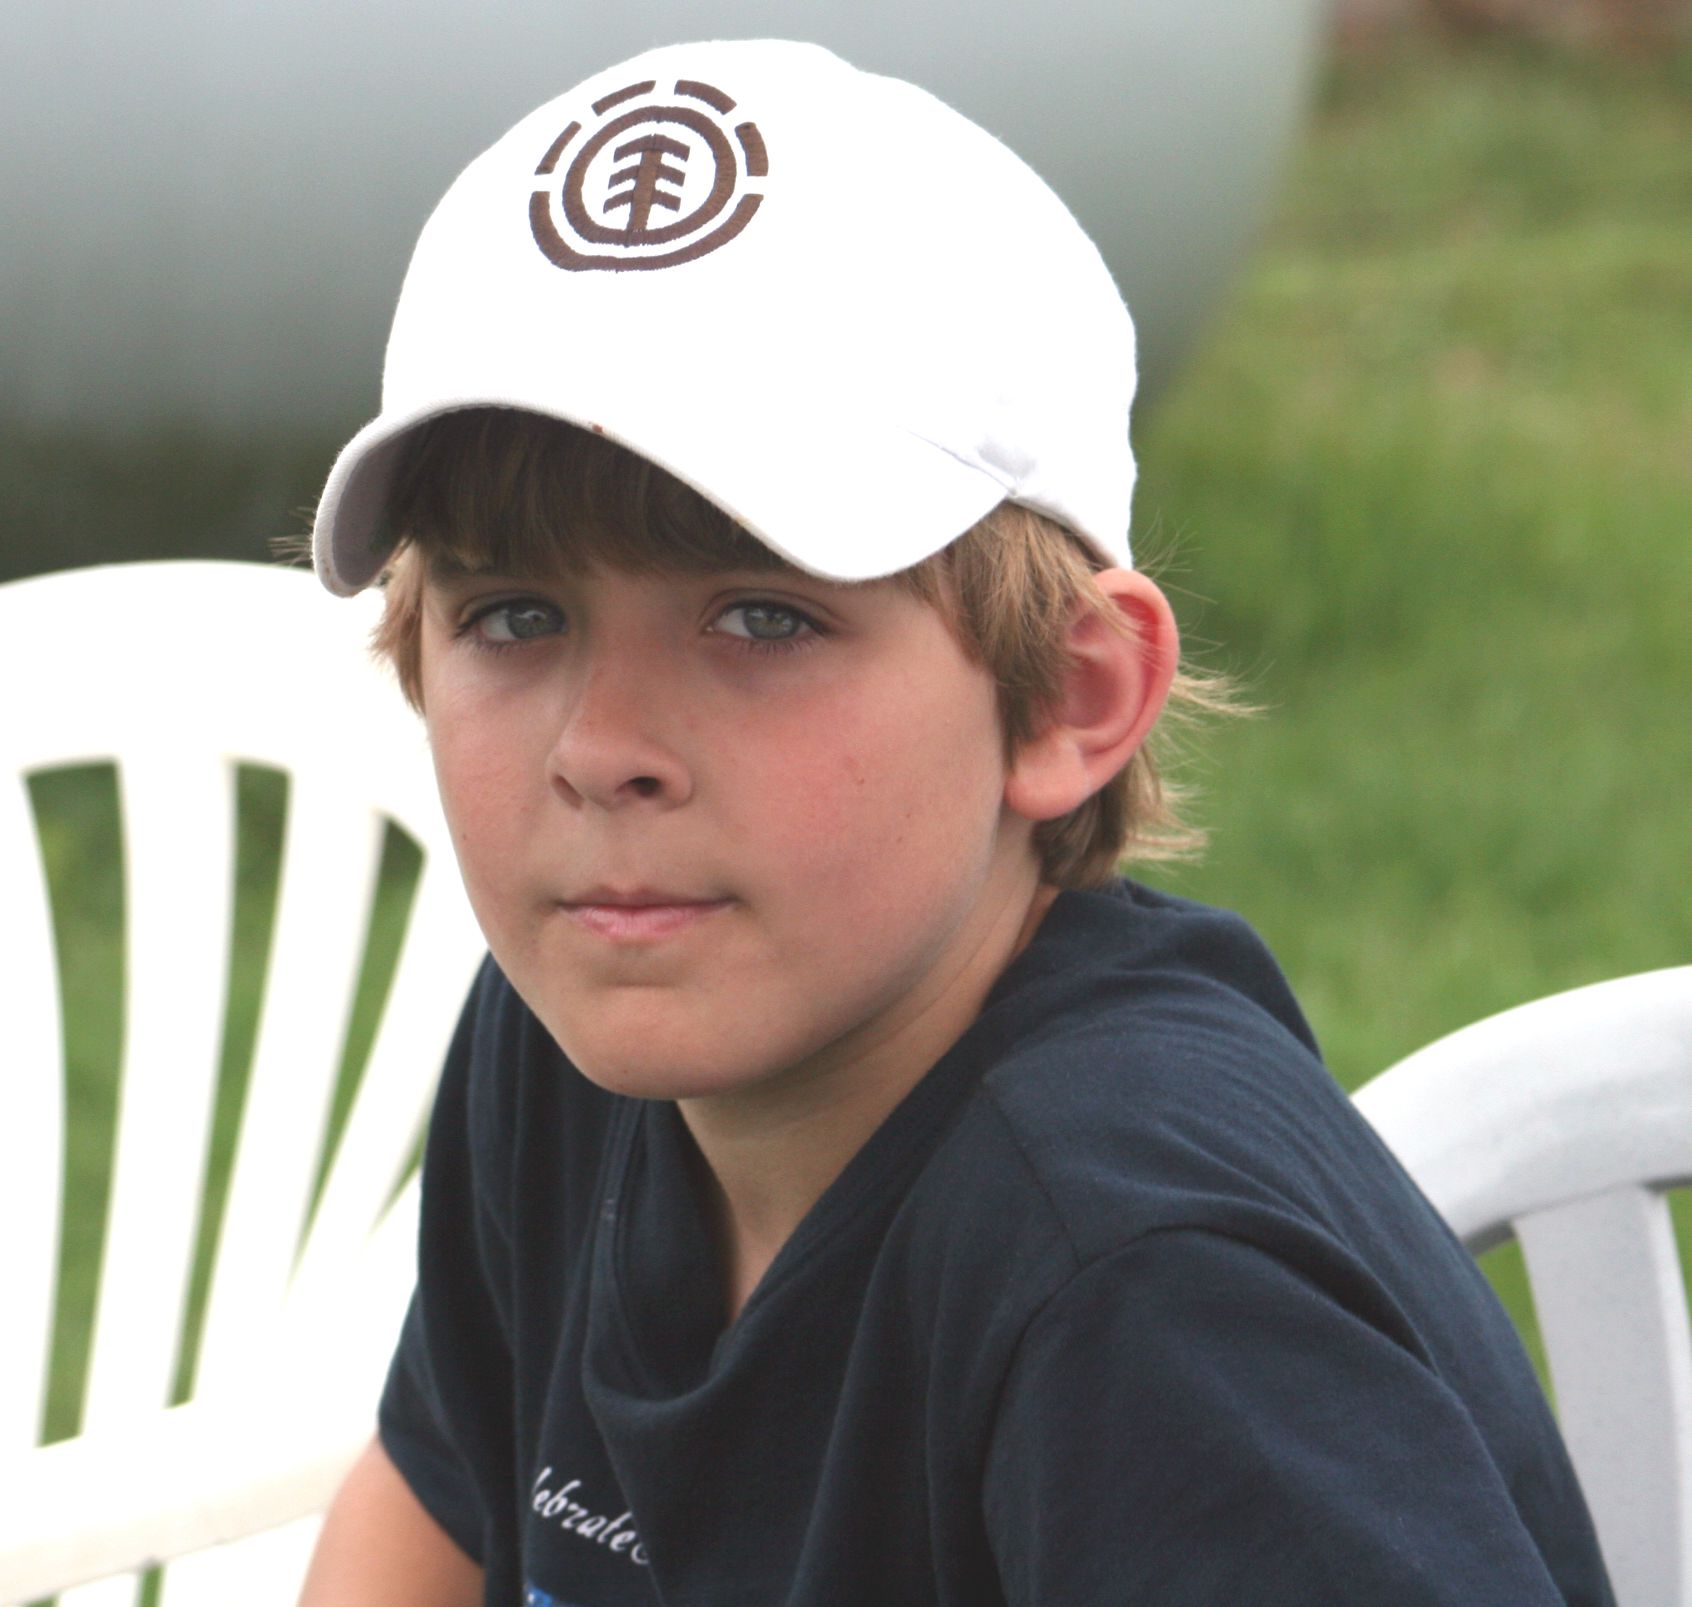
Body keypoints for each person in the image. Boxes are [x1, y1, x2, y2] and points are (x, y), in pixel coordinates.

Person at [298, 37, 1613, 1606]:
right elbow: (432, 1507)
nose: (601, 751)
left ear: (1066, 696)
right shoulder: (575, 1041)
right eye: (514, 615)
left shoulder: (1147, 1290)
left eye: (762, 618)